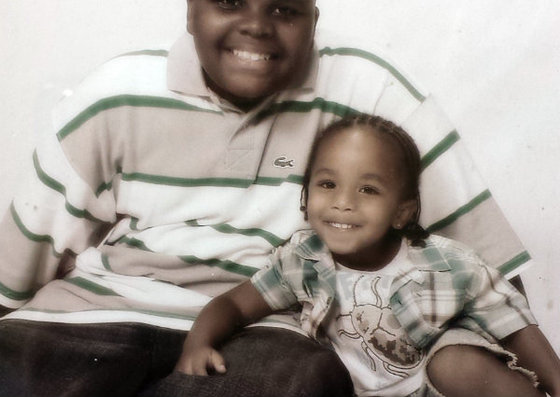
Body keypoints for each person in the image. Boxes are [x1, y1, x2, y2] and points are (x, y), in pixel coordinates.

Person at [0, 0, 541, 397]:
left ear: (313, 20)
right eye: (228, 2)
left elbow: (485, 267)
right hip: (95, 312)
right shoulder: (115, 94)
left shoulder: (371, 93)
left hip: (265, 331)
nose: (256, 27)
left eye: (284, 10)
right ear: (192, 9)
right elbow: (24, 253)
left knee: (293, 383)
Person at [176, 114, 560, 397]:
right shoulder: (301, 261)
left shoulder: (447, 265)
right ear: (305, 198)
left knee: (456, 363)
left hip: (442, 386)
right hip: (359, 392)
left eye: (368, 190)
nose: (343, 202)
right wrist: (199, 342)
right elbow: (234, 304)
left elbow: (514, 323)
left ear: (403, 212)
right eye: (328, 184)